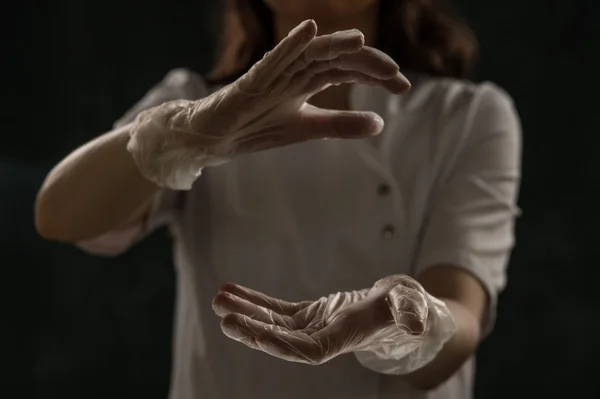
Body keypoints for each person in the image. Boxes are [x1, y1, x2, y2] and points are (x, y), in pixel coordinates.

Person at [35, 0, 522, 398]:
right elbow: (59, 214)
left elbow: (460, 317)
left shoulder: (467, 117)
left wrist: (401, 320)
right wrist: (184, 136)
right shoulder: (196, 106)